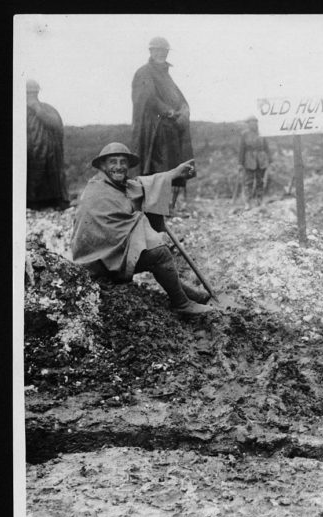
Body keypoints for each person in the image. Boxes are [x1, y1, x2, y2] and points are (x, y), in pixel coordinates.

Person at [70, 142, 213, 316]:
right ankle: (181, 303)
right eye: (113, 162)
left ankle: (190, 294)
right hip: (98, 263)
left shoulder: (117, 185)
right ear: (102, 166)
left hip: (110, 253)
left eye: (123, 162)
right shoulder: (97, 191)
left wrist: (175, 173)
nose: (119, 167)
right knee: (159, 253)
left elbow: (142, 185)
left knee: (151, 249)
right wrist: (141, 221)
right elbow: (108, 233)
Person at [132, 37, 194, 210]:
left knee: (175, 165)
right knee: (160, 167)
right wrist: (168, 111)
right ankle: (156, 206)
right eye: (157, 50)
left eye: (164, 51)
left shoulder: (166, 76)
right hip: (155, 130)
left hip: (171, 129)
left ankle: (170, 205)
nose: (161, 53)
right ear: (150, 51)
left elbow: (180, 98)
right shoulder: (145, 72)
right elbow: (148, 98)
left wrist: (184, 110)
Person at [26, 79, 69, 210]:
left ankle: (54, 201)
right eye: (28, 93)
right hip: (30, 157)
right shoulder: (18, 110)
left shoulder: (47, 109)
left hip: (49, 159)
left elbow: (55, 124)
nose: (30, 96)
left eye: (33, 93)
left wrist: (36, 108)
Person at [238, 115, 272, 208]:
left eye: (254, 122)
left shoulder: (262, 133)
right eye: (250, 123)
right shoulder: (244, 134)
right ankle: (247, 202)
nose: (253, 124)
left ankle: (259, 200)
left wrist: (270, 160)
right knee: (248, 181)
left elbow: (266, 147)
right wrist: (240, 163)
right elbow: (242, 149)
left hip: (261, 160)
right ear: (248, 124)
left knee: (260, 181)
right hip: (249, 160)